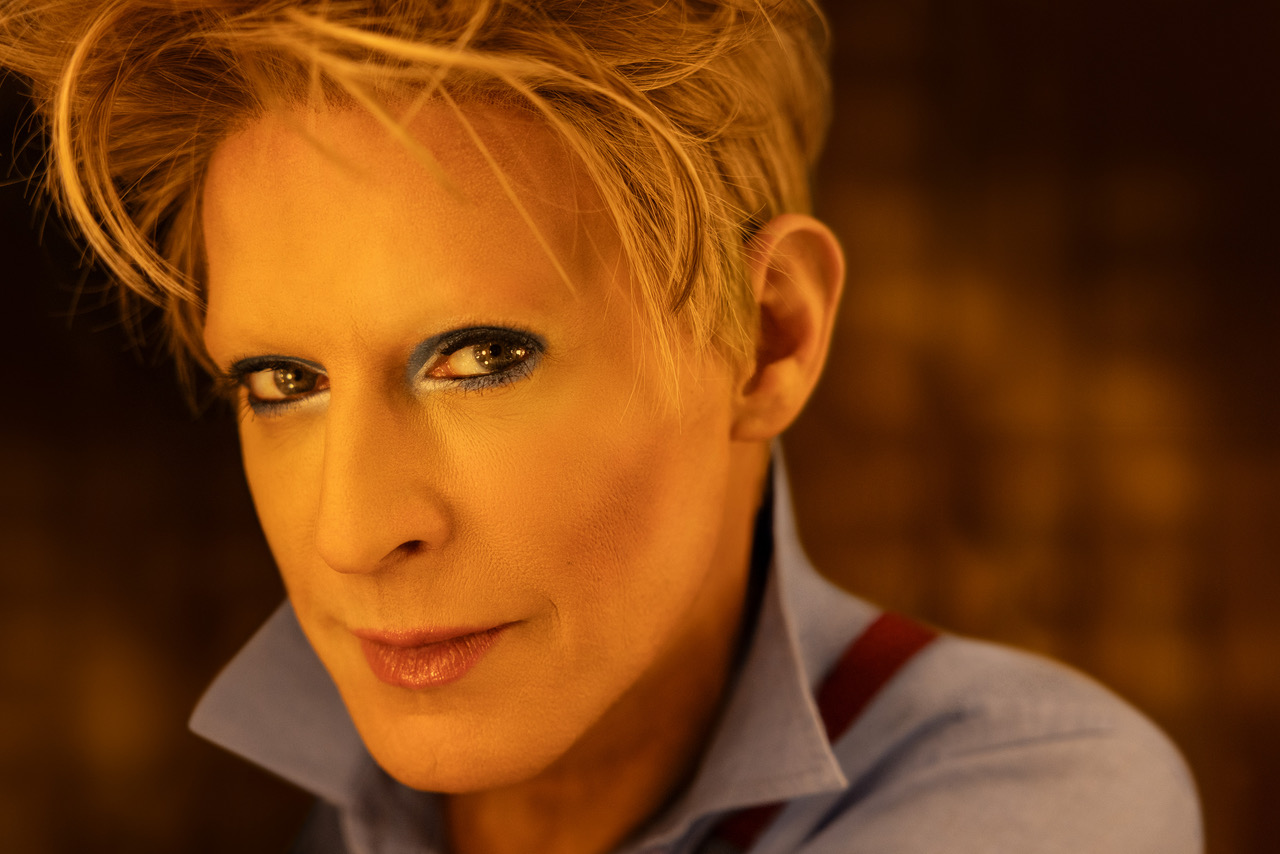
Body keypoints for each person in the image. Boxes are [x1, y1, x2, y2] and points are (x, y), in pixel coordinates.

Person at [0, 2, 1202, 852]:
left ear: (768, 336)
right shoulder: (335, 807)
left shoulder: (1038, 795)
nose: (352, 530)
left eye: (481, 358)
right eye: (281, 381)